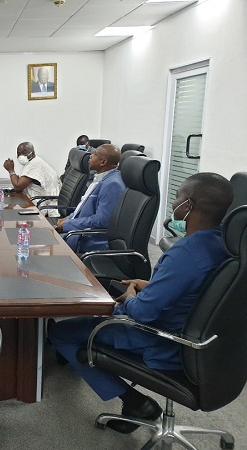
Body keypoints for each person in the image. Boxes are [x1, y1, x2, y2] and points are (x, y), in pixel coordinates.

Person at [48, 173, 233, 434]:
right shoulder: (223, 244)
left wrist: (133, 297)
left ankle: (135, 402)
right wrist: (152, 287)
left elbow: (142, 314)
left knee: (59, 332)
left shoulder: (186, 253)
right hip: (200, 340)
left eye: (178, 196)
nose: (174, 202)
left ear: (189, 206)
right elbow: (199, 291)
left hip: (162, 340)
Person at [55, 144, 125, 252]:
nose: (90, 156)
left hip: (87, 239)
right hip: (77, 231)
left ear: (103, 162)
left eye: (95, 154)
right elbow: (83, 207)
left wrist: (68, 224)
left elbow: (101, 221)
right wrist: (69, 218)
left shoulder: (112, 184)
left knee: (46, 246)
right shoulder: (101, 177)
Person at [3, 142, 61, 217]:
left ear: (33, 153)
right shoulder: (32, 162)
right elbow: (21, 183)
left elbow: (18, 187)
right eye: (19, 153)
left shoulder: (35, 164)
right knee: (12, 208)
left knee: (12, 214)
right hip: (39, 199)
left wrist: (11, 170)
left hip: (44, 203)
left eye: (24, 153)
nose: (21, 156)